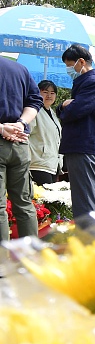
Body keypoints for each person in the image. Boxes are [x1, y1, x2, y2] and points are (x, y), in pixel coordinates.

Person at [58, 44, 95, 219]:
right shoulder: (87, 81)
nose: (68, 70)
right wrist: (64, 105)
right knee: (85, 195)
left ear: (81, 62)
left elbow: (74, 111)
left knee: (84, 199)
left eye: (69, 65)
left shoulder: (92, 82)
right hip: (82, 144)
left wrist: (65, 105)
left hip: (83, 144)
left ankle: (92, 240)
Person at [0, 54, 42, 241]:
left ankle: (1, 263)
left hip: (5, 137)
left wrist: (2, 128)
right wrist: (20, 123)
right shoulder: (19, 69)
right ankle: (30, 259)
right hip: (20, 142)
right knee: (24, 203)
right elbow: (35, 101)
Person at [28, 80, 62, 185]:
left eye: (52, 93)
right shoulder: (33, 111)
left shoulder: (53, 113)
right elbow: (25, 134)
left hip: (52, 165)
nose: (49, 95)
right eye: (45, 92)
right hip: (37, 163)